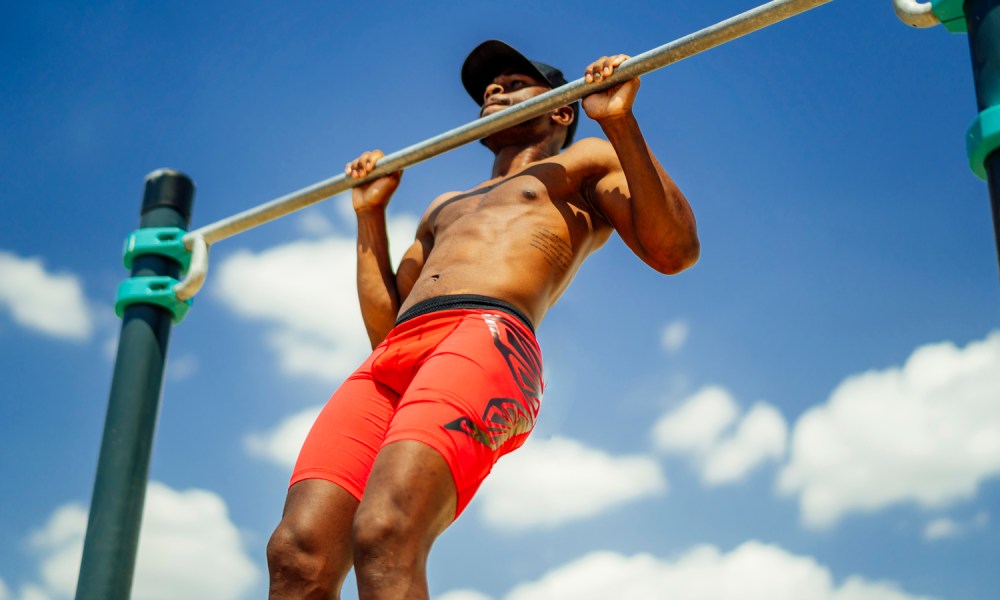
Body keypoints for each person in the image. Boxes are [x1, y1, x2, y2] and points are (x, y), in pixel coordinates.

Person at [266, 40, 699, 599]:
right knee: (297, 554)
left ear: (561, 109)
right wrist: (370, 215)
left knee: (386, 530)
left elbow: (675, 252)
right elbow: (385, 327)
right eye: (489, 88)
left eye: (514, 83)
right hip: (397, 354)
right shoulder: (444, 204)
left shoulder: (584, 160)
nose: (495, 90)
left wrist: (619, 124)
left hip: (487, 336)